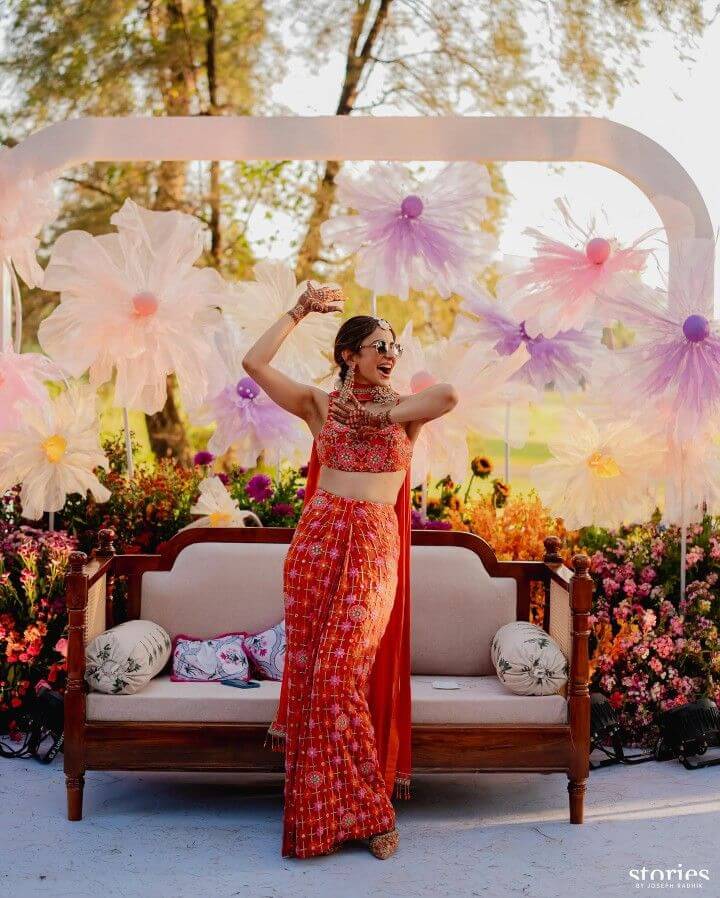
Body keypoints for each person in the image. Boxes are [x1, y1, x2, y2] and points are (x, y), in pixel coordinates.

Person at [241, 280, 458, 859]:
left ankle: (365, 807)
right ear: (348, 355)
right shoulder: (319, 405)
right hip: (318, 542)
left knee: (341, 675)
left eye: (394, 347)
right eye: (377, 346)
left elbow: (448, 396)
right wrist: (298, 310)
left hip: (372, 547)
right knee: (316, 680)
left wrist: (383, 415)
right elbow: (254, 362)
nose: (389, 355)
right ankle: (334, 812)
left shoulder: (404, 413)